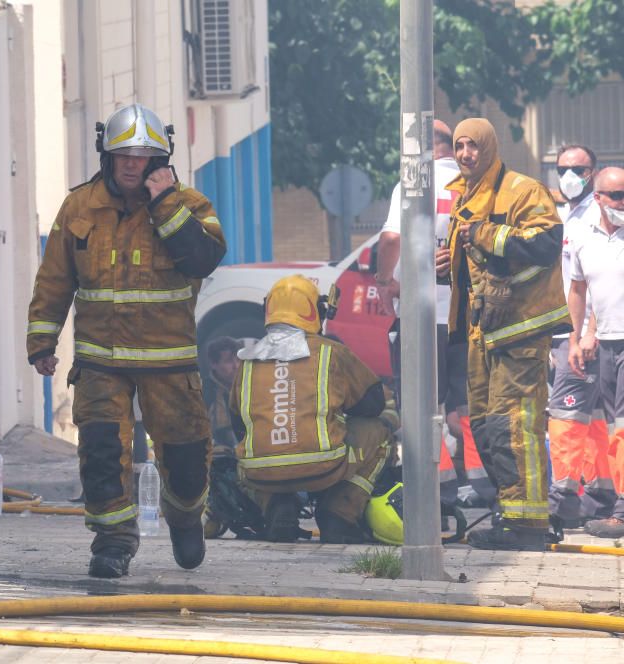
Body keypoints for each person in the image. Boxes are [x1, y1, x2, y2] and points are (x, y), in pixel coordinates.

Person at [26, 103, 226, 578]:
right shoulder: (79, 207)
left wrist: (164, 204)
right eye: (124, 156)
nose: (133, 164)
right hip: (100, 361)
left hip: (169, 362)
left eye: (144, 156)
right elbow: (55, 277)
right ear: (107, 157)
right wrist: (42, 340)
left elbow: (203, 259)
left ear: (161, 159)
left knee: (186, 457)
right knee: (99, 451)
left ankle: (184, 516)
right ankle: (113, 542)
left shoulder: (189, 204)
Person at [435, 118, 569, 551]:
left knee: (514, 426)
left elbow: (545, 245)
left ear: (490, 146)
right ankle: (509, 515)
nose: (465, 154)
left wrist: (483, 233)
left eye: (473, 146)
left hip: (520, 331)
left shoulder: (523, 190)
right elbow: (479, 264)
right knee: (487, 427)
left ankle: (527, 528)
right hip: (482, 333)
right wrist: (450, 264)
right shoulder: (466, 196)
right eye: (459, 146)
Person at [375, 119, 494, 510]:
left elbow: (392, 238)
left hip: (424, 315)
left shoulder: (414, 185)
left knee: (423, 402)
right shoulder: (476, 184)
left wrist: (385, 279)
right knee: (470, 401)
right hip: (469, 315)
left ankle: (435, 486)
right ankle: (482, 482)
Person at [227, 275, 395, 543]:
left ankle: (276, 507)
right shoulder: (332, 352)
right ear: (315, 311)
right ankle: (339, 513)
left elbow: (239, 426)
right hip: (324, 467)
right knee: (381, 431)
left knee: (255, 450)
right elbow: (372, 405)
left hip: (260, 473)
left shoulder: (248, 361)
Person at [547, 146, 616, 528]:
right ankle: (603, 491)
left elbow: (593, 283)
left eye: (578, 169)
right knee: (591, 417)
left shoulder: (597, 214)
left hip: (587, 336)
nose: (569, 175)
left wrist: (581, 335)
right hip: (575, 332)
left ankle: (563, 497)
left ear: (593, 173)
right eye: (562, 168)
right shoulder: (571, 214)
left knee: (567, 412)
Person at [567, 167, 624, 539]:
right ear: (599, 198)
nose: (623, 203)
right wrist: (580, 336)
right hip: (606, 342)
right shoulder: (582, 236)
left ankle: (620, 511)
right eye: (616, 196)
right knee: (614, 427)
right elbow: (579, 290)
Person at [205, 336, 242, 455]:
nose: (236, 366)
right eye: (229, 361)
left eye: (238, 359)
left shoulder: (251, 386)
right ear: (213, 364)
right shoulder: (205, 394)